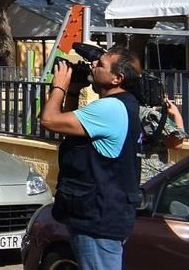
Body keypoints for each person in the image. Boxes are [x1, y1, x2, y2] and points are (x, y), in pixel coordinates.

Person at [40, 47, 143, 270]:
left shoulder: (109, 109)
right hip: (99, 214)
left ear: (117, 78)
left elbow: (49, 120)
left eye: (101, 64)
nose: (93, 65)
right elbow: (68, 128)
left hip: (99, 219)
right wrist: (75, 91)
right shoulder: (122, 104)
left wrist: (59, 86)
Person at [138, 93, 186, 182]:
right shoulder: (149, 115)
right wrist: (176, 114)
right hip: (151, 178)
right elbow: (177, 144)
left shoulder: (123, 108)